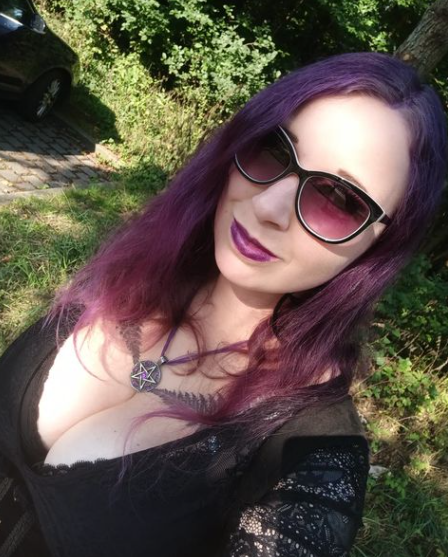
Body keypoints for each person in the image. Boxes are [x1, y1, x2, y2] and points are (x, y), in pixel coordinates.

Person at [0, 51, 446, 557]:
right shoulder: (133, 276)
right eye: (272, 150)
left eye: (339, 200)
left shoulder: (310, 455)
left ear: (383, 244)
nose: (267, 205)